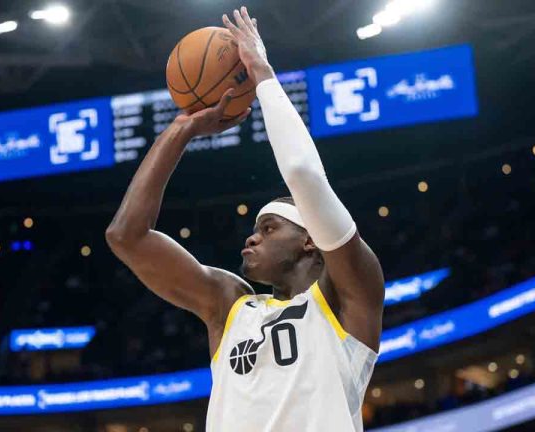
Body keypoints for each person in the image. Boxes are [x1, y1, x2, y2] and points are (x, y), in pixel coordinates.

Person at [106, 6, 384, 431]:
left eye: (269, 228)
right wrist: (181, 132)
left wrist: (263, 73)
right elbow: (126, 236)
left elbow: (304, 174)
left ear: (310, 240)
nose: (251, 240)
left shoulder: (349, 297)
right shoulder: (230, 305)